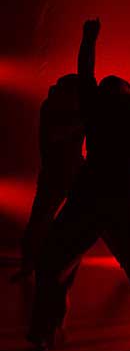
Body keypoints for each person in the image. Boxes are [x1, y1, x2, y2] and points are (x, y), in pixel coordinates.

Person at [28, 18, 130, 351]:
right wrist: (91, 43)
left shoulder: (103, 109)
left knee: (57, 261)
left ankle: (47, 331)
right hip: (124, 191)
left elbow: (86, 71)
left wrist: (89, 38)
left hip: (98, 189)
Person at [12, 74, 84, 282]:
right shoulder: (55, 107)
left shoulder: (56, 105)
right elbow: (54, 136)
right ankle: (30, 266)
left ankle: (29, 266)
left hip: (63, 171)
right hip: (59, 172)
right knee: (41, 221)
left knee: (40, 220)